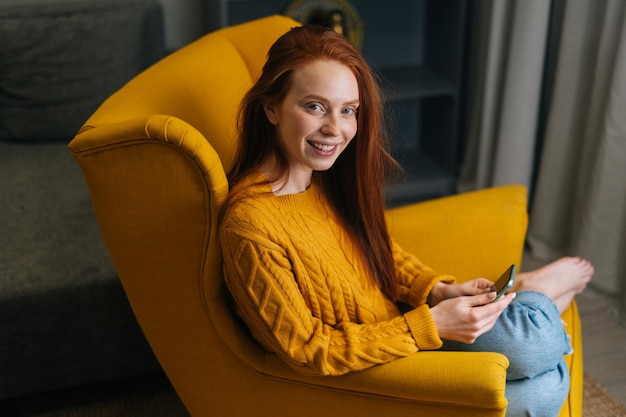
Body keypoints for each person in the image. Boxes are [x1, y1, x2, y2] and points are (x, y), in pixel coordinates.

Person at [218, 25, 594, 417]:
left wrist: (435, 292)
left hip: (398, 332)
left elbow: (374, 251)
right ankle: (534, 296)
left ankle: (528, 301)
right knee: (541, 377)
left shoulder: (323, 179)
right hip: (372, 373)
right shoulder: (250, 227)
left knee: (531, 352)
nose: (335, 129)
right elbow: (308, 349)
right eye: (314, 106)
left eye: (349, 110)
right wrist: (428, 325)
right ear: (271, 107)